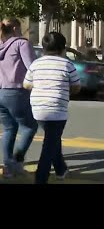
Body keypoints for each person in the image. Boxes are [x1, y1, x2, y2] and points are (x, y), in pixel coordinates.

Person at [23, 32, 81, 184]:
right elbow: (76, 87)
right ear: (63, 49)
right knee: (50, 142)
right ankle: (41, 177)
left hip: (37, 109)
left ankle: (61, 169)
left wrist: (41, 84)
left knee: (52, 139)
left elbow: (26, 84)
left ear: (43, 48)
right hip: (57, 110)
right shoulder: (67, 64)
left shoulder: (36, 64)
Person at [0, 17, 38, 178]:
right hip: (17, 92)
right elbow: (32, 67)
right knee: (30, 127)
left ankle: (8, 166)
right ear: (15, 28)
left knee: (9, 128)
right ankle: (16, 161)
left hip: (1, 92)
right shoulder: (22, 43)